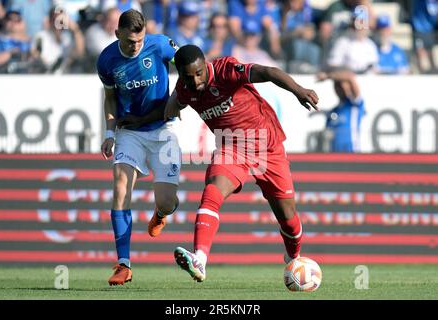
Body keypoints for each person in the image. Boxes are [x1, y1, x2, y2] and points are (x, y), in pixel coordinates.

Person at [164, 44, 319, 282]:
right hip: (231, 147)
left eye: (198, 73)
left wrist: (298, 90)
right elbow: (175, 102)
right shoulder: (185, 89)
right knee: (213, 190)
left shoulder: (226, 70)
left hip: (268, 147)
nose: (195, 81)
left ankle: (293, 258)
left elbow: (267, 72)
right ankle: (200, 259)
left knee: (288, 218)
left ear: (205, 65)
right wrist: (171, 108)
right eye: (188, 77)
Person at [96, 9, 181, 286]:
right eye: (131, 41)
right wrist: (109, 132)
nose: (137, 46)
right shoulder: (106, 61)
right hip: (129, 131)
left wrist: (181, 98)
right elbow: (110, 98)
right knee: (120, 185)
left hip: (162, 130)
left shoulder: (160, 44)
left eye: (140, 40)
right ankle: (123, 264)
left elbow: (189, 64)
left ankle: (161, 214)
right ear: (117, 33)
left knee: (167, 202)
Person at [317, 69, 365, 152]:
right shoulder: (333, 111)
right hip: (336, 155)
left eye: (342, 84)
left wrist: (328, 76)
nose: (340, 88)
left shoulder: (354, 104)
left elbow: (350, 77)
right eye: (337, 85)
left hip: (352, 151)